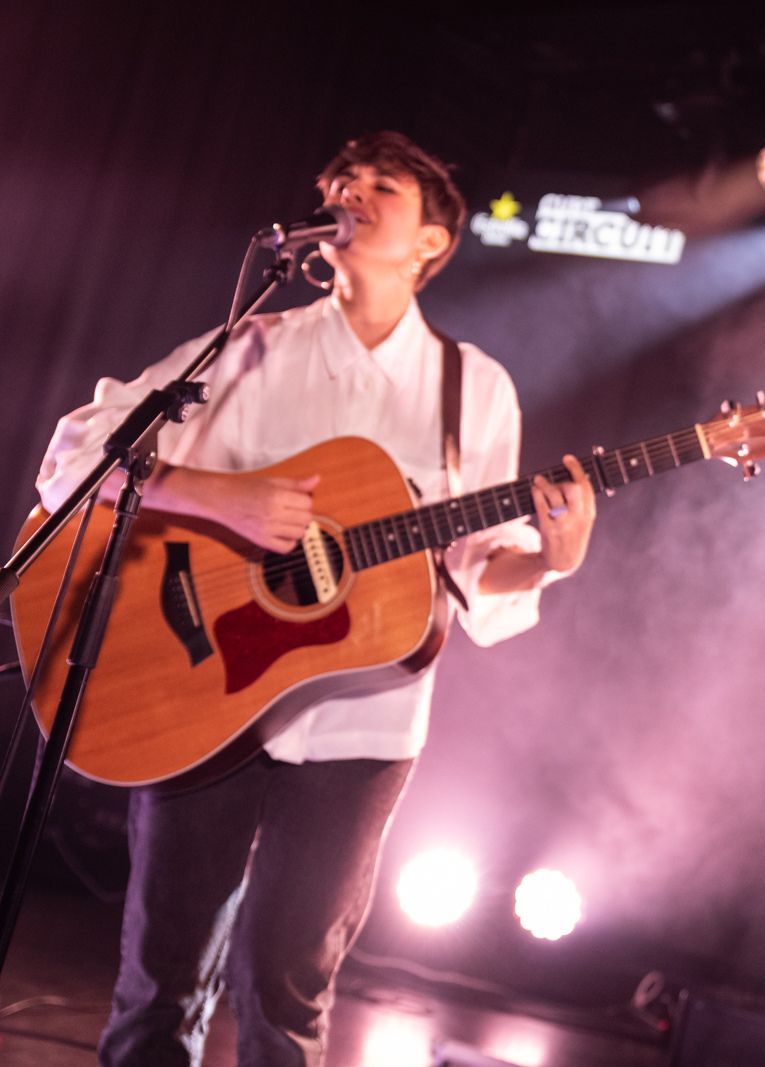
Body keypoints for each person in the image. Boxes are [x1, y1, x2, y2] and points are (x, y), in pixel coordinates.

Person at [34, 131, 597, 1066]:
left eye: (381, 186)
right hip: (203, 690)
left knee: (290, 989)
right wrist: (220, 496)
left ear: (433, 242)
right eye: (341, 182)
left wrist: (550, 562)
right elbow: (76, 457)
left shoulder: (475, 392)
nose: (350, 193)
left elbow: (478, 570)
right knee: (161, 979)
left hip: (363, 729)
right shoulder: (250, 347)